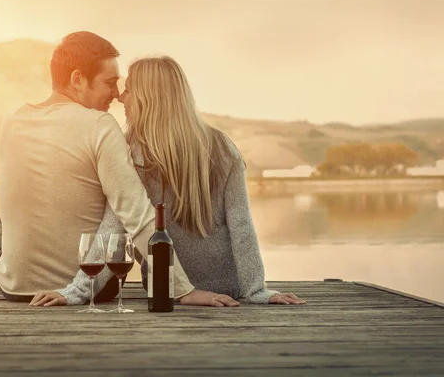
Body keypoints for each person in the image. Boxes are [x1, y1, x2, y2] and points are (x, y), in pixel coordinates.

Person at [0, 31, 239, 308]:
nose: (117, 94)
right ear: (77, 79)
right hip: (97, 285)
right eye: (109, 83)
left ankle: (20, 269)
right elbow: (136, 212)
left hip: (18, 288)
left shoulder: (12, 121)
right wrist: (181, 289)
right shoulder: (100, 125)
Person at [40, 56, 305, 306]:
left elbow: (113, 228)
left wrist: (77, 291)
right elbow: (242, 227)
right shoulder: (223, 147)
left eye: (129, 90)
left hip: (165, 288)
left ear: (149, 99)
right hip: (229, 288)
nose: (121, 97)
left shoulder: (134, 154)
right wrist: (255, 290)